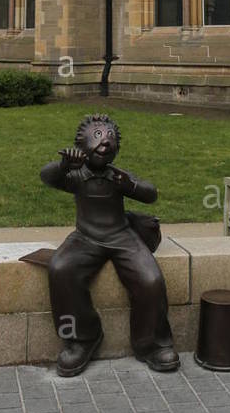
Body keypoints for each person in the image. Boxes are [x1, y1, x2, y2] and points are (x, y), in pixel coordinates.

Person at [40, 113, 180, 377]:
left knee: (150, 280)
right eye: (97, 136)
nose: (105, 142)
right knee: (61, 268)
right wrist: (62, 165)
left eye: (110, 137)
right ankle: (82, 339)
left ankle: (151, 344)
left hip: (121, 236)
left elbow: (151, 194)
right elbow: (46, 177)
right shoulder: (75, 175)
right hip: (86, 238)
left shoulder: (118, 177)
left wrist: (132, 185)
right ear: (81, 145)